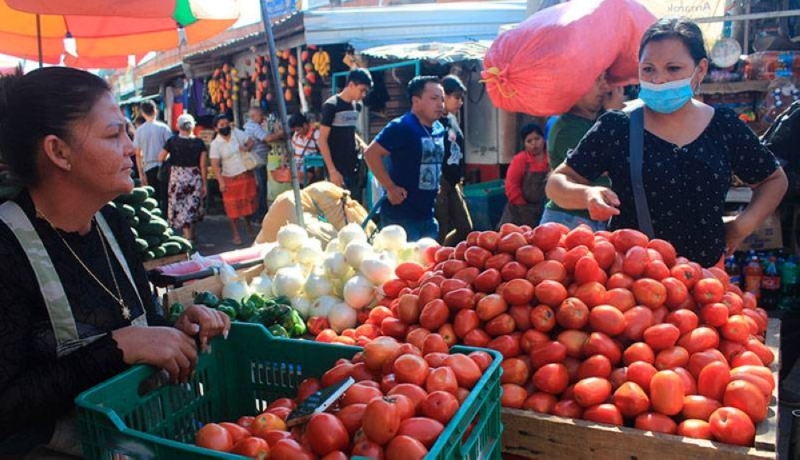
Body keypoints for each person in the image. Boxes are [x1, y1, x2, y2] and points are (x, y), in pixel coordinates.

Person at [0, 67, 229, 457]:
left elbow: (138, 323)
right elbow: (6, 404)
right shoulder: (7, 248)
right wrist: (118, 346)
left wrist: (175, 330)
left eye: (127, 132)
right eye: (113, 134)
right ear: (58, 152)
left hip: (138, 442)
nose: (131, 147)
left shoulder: (112, 222)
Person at [546, 17, 788, 268]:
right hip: (632, 284)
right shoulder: (617, 127)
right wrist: (586, 194)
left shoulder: (724, 126)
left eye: (673, 68)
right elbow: (557, 183)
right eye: (648, 69)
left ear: (700, 70)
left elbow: (773, 180)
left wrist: (742, 225)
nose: (658, 79)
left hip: (707, 284)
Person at [364, 76, 445, 241]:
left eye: (442, 99)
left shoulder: (439, 128)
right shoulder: (402, 126)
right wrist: (390, 187)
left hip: (428, 215)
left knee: (428, 264)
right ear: (416, 101)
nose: (440, 104)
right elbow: (371, 153)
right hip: (401, 217)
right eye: (434, 98)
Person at [539, 72, 611, 231]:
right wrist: (616, 113)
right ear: (577, 85)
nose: (605, 86)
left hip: (594, 216)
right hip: (569, 219)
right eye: (597, 79)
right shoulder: (568, 128)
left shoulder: (594, 121)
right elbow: (606, 166)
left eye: (605, 79)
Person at [319, 68, 372, 202]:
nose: (364, 94)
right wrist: (332, 171)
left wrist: (363, 145)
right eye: (362, 90)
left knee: (354, 206)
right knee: (338, 209)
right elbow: (322, 140)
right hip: (337, 168)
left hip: (353, 166)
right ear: (351, 85)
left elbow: (350, 130)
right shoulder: (331, 106)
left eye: (366, 91)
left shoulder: (357, 107)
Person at [434, 75, 473, 246]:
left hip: (455, 181)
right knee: (440, 229)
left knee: (466, 228)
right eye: (457, 98)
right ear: (445, 96)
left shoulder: (452, 119)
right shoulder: (433, 121)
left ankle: (445, 253)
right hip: (439, 182)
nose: (460, 103)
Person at [209, 114, 257, 246]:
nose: (225, 127)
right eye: (222, 125)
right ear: (216, 129)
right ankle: (236, 233)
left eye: (227, 124)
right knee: (232, 209)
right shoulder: (215, 144)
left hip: (244, 174)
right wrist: (221, 182)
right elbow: (215, 165)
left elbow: (251, 140)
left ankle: (248, 225)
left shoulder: (236, 133)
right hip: (229, 177)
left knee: (247, 205)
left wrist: (247, 148)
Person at [158, 113, 207, 242]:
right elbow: (203, 165)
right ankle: (191, 236)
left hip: (177, 177)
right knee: (193, 206)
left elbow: (160, 157)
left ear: (178, 127)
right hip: (194, 177)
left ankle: (188, 237)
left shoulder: (172, 141)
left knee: (181, 206)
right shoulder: (199, 142)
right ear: (192, 127)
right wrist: (205, 184)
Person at [499, 123, 550, 228]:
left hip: (544, 209)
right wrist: (523, 208)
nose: (534, 144)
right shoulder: (520, 160)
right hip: (519, 212)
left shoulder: (551, 158)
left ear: (543, 139)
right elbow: (511, 186)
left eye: (537, 139)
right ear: (524, 144)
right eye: (529, 141)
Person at [243, 107, 283, 225]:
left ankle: (259, 214)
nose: (263, 118)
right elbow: (268, 138)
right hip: (258, 161)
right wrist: (281, 132)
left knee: (260, 187)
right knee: (262, 188)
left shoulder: (248, 125)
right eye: (261, 116)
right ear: (254, 116)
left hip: (258, 161)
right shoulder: (254, 127)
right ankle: (260, 215)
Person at [133, 100, 172, 215]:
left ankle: (158, 218)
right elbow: (171, 148)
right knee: (165, 196)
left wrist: (140, 173)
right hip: (164, 166)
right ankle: (166, 220)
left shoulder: (139, 131)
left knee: (153, 198)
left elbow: (137, 153)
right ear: (155, 111)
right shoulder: (164, 128)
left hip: (148, 167)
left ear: (143, 114)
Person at [288, 113, 321, 185]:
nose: (297, 132)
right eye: (296, 130)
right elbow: (291, 149)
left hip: (310, 170)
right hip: (297, 169)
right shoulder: (296, 134)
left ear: (305, 125)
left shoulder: (316, 134)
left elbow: (323, 152)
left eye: (299, 130)